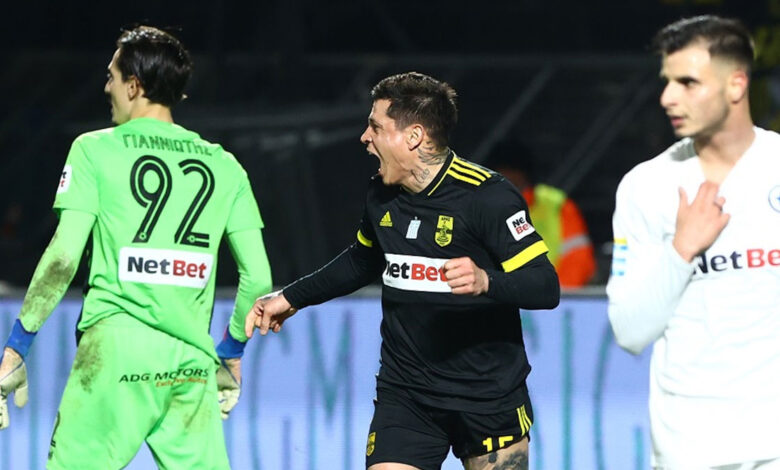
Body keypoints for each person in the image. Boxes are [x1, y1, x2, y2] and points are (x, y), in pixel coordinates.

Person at [247, 72, 560, 470]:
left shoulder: (488, 197)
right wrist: (290, 297)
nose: (365, 137)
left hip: (486, 397)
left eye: (376, 127)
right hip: (407, 395)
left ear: (414, 136)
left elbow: (545, 286)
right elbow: (361, 260)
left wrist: (486, 280)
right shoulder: (381, 194)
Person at [0, 25, 272, 469]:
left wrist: (17, 345)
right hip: (190, 363)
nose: (106, 87)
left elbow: (64, 257)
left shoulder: (94, 150)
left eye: (111, 77)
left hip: (114, 354)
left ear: (134, 85)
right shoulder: (226, 166)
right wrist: (230, 353)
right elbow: (258, 279)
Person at [607, 15, 780, 470]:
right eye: (667, 81)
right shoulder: (646, 186)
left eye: (687, 82)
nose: (668, 97)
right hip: (691, 447)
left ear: (736, 85)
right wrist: (681, 251)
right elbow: (629, 331)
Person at [484, 141, 597, 288]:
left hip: (553, 297)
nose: (508, 178)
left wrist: (551, 294)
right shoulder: (478, 206)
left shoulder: (556, 205)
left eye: (512, 172)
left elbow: (579, 258)